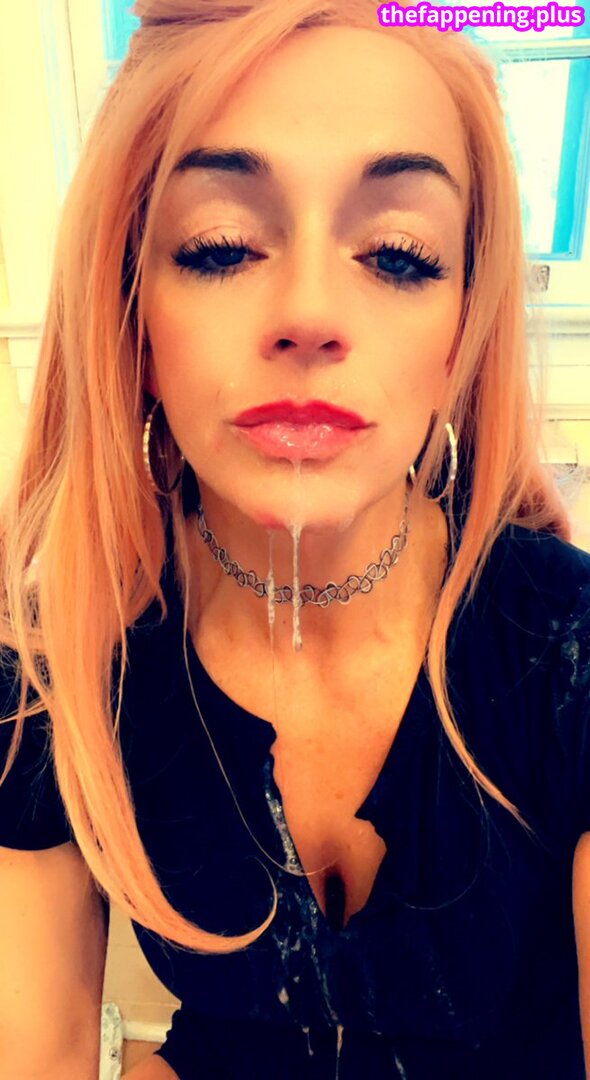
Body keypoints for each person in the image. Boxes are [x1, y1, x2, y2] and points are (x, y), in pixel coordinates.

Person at [1, 0, 590, 1076]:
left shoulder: (570, 655)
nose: (311, 311)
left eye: (399, 255)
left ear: (460, 327)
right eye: (220, 246)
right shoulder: (55, 667)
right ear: (132, 317)